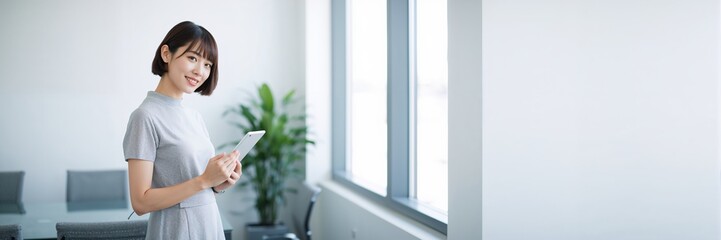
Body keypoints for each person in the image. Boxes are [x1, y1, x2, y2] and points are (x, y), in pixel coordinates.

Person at [123, 21, 240, 240]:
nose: (200, 71)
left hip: (208, 224)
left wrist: (217, 184)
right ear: (166, 54)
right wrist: (204, 181)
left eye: (208, 64)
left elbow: (195, 181)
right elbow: (140, 202)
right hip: (175, 231)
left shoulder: (194, 117)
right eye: (192, 58)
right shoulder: (145, 117)